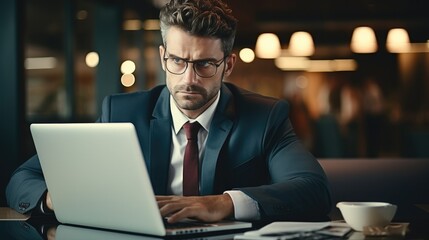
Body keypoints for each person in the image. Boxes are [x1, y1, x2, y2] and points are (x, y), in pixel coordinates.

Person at [6, 0, 331, 223]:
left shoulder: (265, 117)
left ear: (227, 65)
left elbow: (313, 189)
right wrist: (54, 199)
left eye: (204, 64)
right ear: (163, 58)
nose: (188, 79)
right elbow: (23, 178)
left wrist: (222, 203)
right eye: (177, 61)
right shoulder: (121, 113)